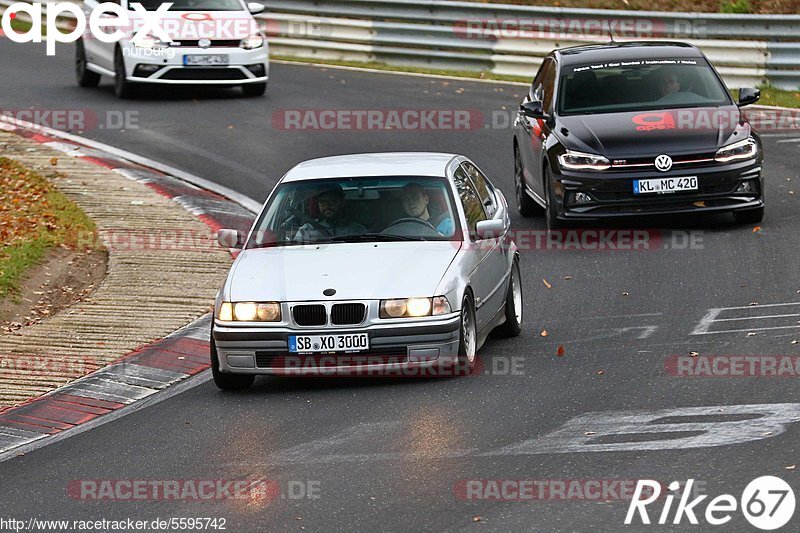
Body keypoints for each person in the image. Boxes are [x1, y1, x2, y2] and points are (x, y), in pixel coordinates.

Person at [294, 184, 367, 241]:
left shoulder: (358, 230)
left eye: (332, 201)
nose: (327, 205)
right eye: (322, 202)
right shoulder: (306, 230)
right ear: (318, 204)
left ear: (342, 202)